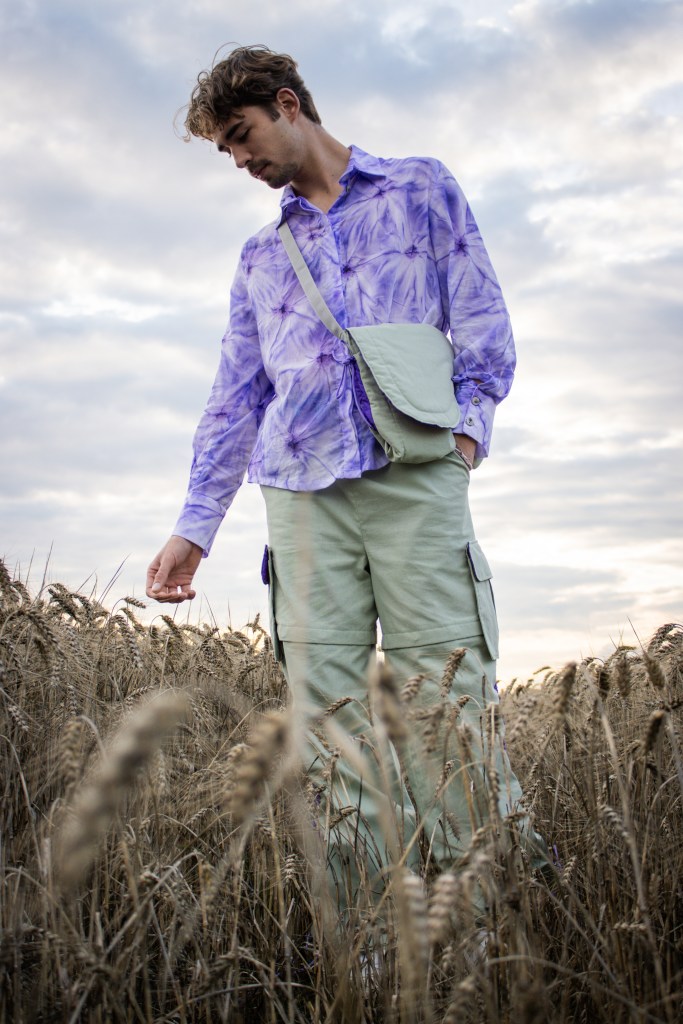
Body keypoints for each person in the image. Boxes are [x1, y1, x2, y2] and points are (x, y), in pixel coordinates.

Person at [146, 44, 543, 908]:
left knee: (447, 700)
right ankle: (370, 935)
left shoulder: (419, 186)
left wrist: (464, 441)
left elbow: (481, 320)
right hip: (299, 500)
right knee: (327, 721)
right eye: (225, 149)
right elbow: (236, 394)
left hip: (415, 478)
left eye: (242, 134)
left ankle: (489, 921)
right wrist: (194, 525)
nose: (239, 159)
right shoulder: (261, 255)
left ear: (288, 105)